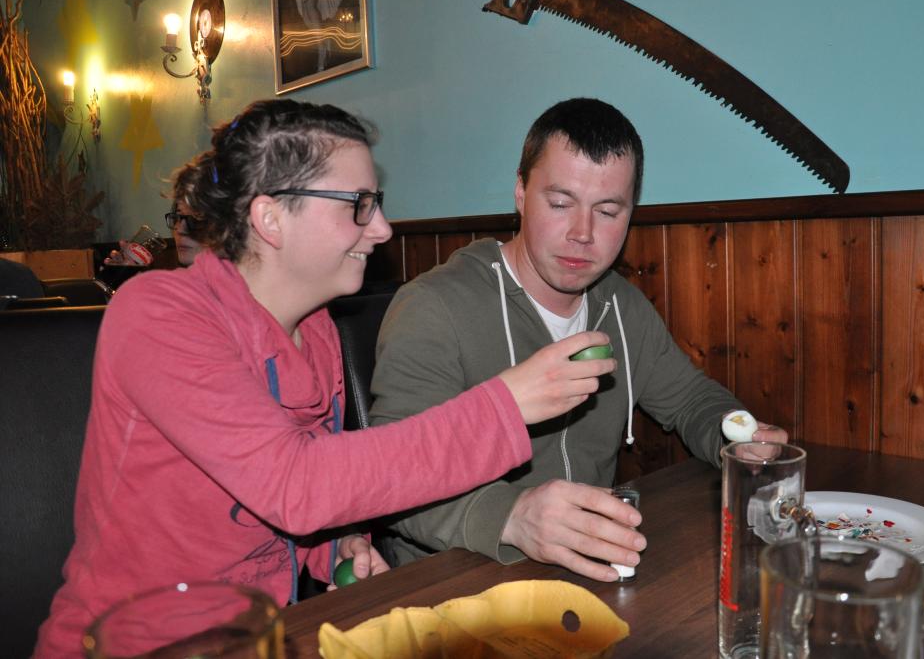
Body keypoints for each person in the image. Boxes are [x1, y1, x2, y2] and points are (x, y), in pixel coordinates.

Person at [34, 99, 615, 656]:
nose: (382, 228)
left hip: (262, 638)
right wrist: (504, 406)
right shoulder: (158, 313)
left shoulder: (315, 330)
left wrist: (336, 546)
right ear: (270, 218)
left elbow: (300, 488)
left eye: (376, 202)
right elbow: (296, 486)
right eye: (357, 204)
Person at [369, 98, 788, 581]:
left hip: (587, 572)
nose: (582, 233)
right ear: (521, 192)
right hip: (451, 586)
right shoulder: (432, 307)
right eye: (560, 203)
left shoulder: (621, 305)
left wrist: (735, 437)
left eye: (607, 211)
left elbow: (690, 398)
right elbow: (388, 479)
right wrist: (512, 516)